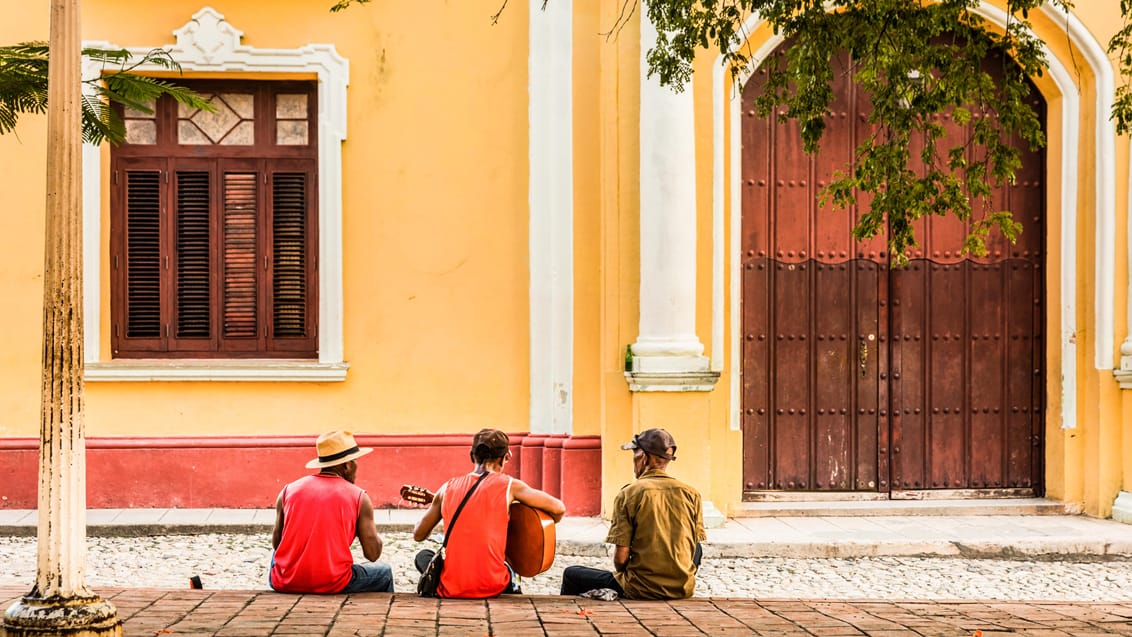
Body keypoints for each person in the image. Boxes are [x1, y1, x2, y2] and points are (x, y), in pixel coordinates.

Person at [412, 428, 566, 598]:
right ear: (506, 457)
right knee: (509, 565)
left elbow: (418, 534)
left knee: (423, 556)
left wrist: (439, 504)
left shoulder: (446, 488)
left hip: (451, 588)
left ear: (472, 455)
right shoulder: (510, 486)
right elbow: (559, 508)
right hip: (494, 585)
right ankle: (514, 587)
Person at [560, 427, 706, 600]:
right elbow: (695, 547)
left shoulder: (629, 493)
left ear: (643, 457)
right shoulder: (691, 493)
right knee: (696, 546)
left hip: (640, 588)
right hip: (683, 588)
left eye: (634, 454)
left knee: (572, 574)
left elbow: (620, 559)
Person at [269, 430, 394, 594]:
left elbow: (277, 544)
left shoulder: (288, 490)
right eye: (355, 461)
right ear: (347, 466)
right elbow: (372, 554)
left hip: (285, 581)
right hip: (332, 582)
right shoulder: (359, 497)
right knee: (384, 572)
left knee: (275, 558)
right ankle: (384, 615)